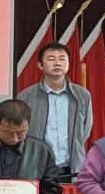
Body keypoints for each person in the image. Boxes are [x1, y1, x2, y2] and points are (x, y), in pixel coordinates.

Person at [16, 42, 92, 178]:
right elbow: (20, 133)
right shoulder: (26, 96)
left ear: (68, 64)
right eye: (51, 59)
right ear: (40, 65)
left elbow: (85, 130)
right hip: (36, 169)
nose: (57, 63)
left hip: (73, 169)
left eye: (62, 59)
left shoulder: (82, 95)